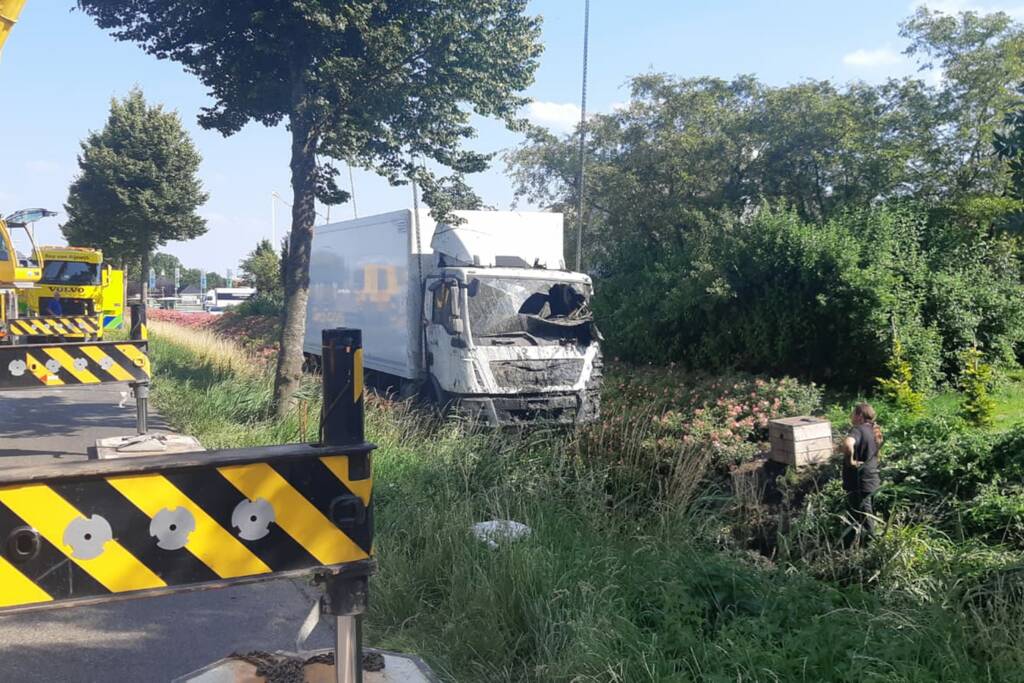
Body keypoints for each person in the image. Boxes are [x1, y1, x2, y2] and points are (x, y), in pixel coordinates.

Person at [840, 402, 883, 545]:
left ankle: (871, 550)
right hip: (872, 479)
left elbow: (847, 444)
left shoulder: (858, 430)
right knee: (862, 515)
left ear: (859, 415)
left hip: (859, 482)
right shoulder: (874, 430)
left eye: (853, 413)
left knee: (865, 517)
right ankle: (855, 547)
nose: (851, 416)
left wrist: (850, 461)